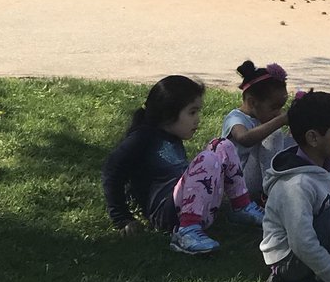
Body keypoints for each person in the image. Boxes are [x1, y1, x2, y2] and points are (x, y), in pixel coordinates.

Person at [101, 75, 260, 255]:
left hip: (192, 207)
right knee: (207, 158)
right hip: (167, 214)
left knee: (222, 145)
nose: (197, 119)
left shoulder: (172, 135)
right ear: (169, 113)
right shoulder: (142, 137)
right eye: (192, 112)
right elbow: (111, 171)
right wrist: (121, 217)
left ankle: (241, 207)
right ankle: (187, 232)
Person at [260, 90, 330, 282]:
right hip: (289, 262)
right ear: (313, 137)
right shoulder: (296, 185)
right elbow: (302, 243)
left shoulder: (321, 166)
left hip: (309, 252)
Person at [220, 60, 293, 221]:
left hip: (253, 181)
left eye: (281, 107)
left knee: (293, 140)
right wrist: (280, 121)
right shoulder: (235, 118)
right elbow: (244, 139)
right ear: (253, 102)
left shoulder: (263, 116)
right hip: (236, 185)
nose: (278, 113)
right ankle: (271, 195)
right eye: (274, 107)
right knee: (273, 135)